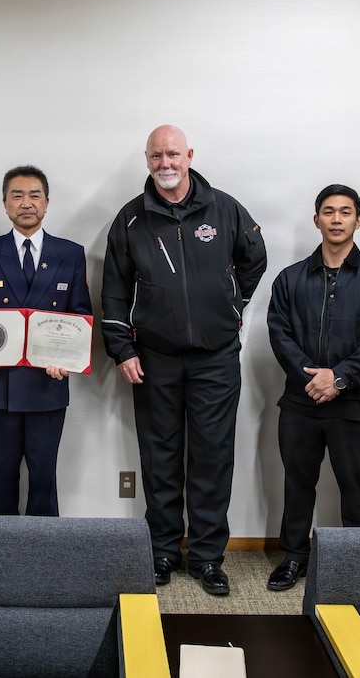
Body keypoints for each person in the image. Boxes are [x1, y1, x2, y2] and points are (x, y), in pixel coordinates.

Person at [101, 125, 267, 596]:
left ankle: (209, 558)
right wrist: (122, 349)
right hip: (155, 359)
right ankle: (163, 552)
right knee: (160, 458)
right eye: (156, 156)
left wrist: (232, 306)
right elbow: (114, 289)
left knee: (213, 458)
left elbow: (255, 258)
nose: (165, 163)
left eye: (173, 153)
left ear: (189, 155)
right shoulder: (131, 219)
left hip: (216, 358)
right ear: (147, 160)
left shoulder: (225, 208)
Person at [265, 184, 360, 591]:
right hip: (300, 401)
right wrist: (314, 379)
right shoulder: (290, 278)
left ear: (358, 220)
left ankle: (355, 564)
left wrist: (339, 377)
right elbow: (279, 332)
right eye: (329, 211)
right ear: (317, 220)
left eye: (345, 212)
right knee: (297, 483)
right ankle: (294, 557)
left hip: (355, 400)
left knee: (356, 486)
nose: (337, 219)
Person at [0, 165, 92, 516]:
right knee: (2, 476)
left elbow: (80, 315)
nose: (26, 203)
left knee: (43, 477)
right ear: (4, 204)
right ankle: (0, 556)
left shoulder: (70, 253)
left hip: (48, 384)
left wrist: (68, 360)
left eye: (34, 195)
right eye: (17, 196)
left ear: (47, 203)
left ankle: (45, 559)